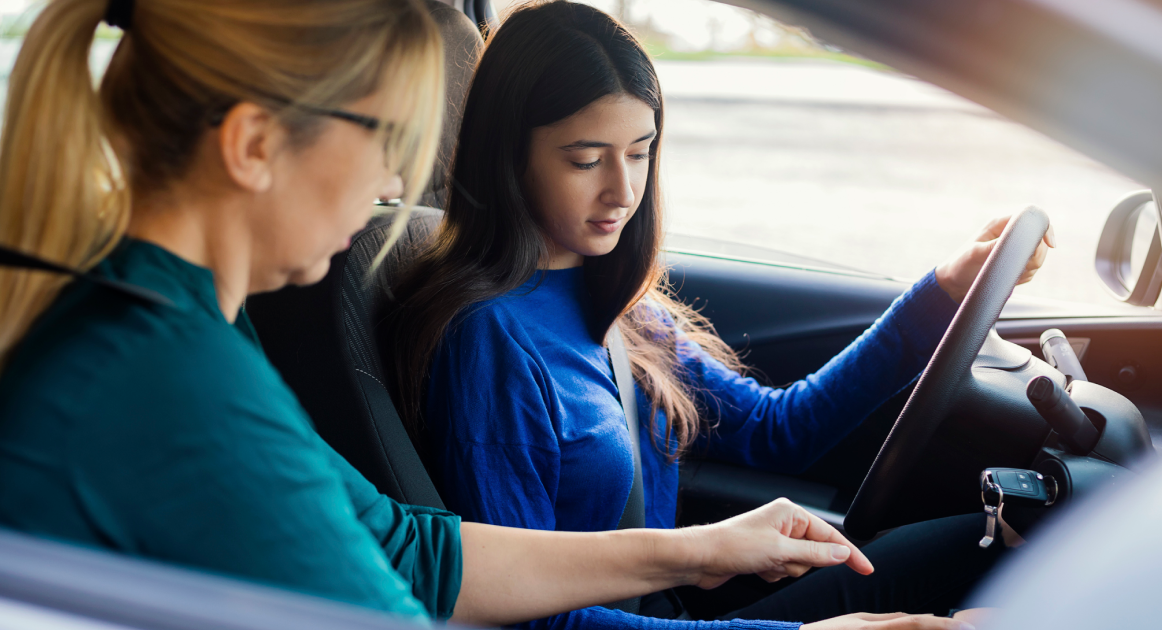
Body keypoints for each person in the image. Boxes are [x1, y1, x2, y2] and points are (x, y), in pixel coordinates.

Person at [0, 0, 891, 627]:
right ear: (255, 145)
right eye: (388, 139)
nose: (396, 185)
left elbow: (409, 551)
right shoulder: (170, 379)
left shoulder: (177, 324)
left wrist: (699, 552)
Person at [390, 2, 1055, 629]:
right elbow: (527, 618)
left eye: (641, 152)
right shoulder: (489, 344)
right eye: (585, 159)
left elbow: (778, 429)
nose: (622, 191)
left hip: (675, 610)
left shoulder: (617, 302)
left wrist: (946, 289)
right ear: (510, 156)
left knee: (997, 540)